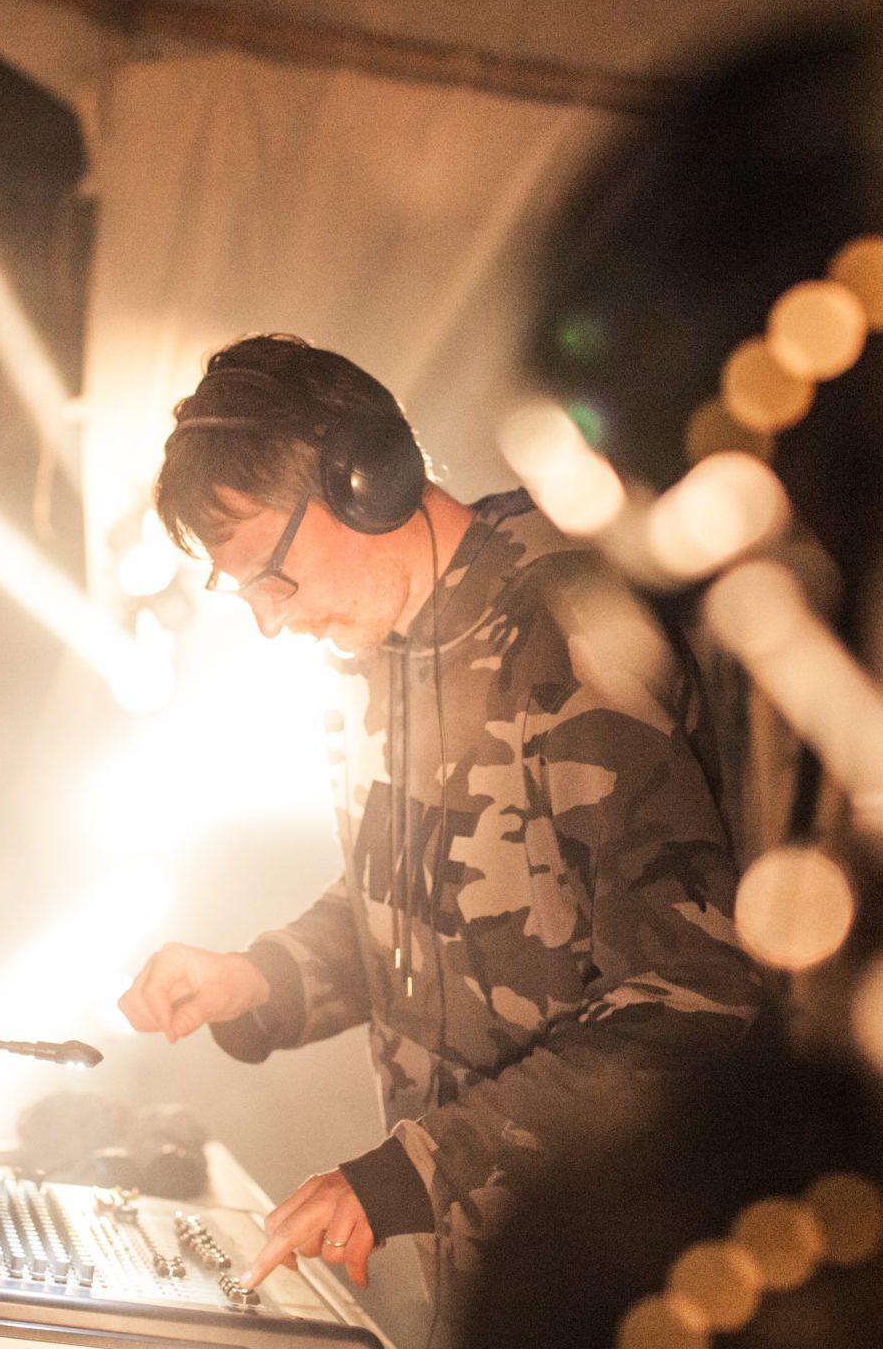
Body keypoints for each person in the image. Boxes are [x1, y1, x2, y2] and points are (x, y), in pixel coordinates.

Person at [116, 334, 760, 1305]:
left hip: (632, 1269)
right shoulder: (367, 654)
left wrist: (410, 1171)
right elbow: (409, 897)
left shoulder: (568, 630)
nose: (271, 622)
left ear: (365, 481)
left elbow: (690, 994)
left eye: (272, 578)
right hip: (496, 1268)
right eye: (244, 593)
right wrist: (259, 978)